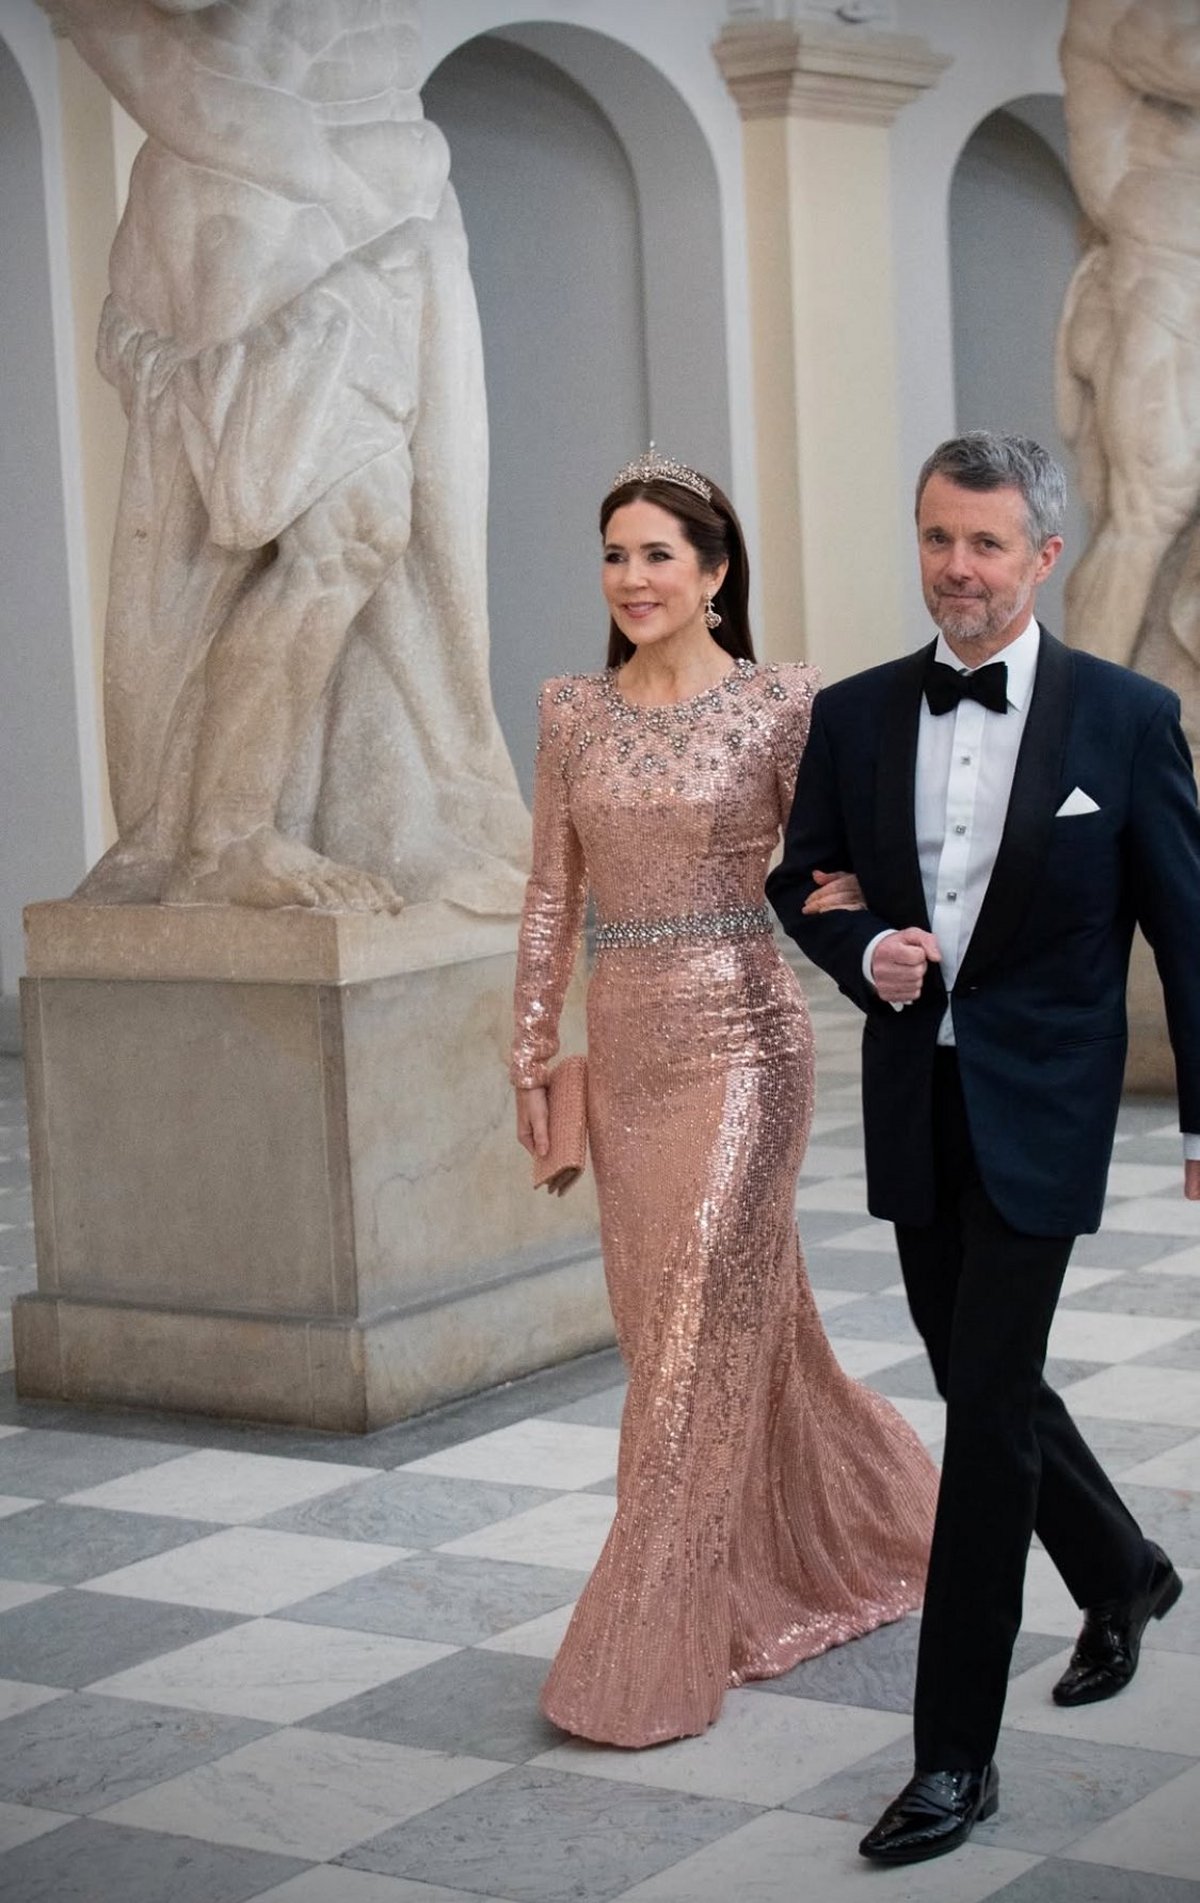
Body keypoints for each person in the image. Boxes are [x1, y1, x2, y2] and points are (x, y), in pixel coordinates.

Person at [769, 431, 1200, 1864]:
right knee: (981, 1380)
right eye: (939, 538)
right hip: (917, 1100)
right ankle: (1126, 1570)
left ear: (1045, 557)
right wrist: (857, 947)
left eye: (988, 544)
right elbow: (804, 870)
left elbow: (1188, 934)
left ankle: (953, 1757)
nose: (958, 567)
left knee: (982, 1430)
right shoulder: (856, 712)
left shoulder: (1127, 721)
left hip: (1047, 1108)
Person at [510, 448, 937, 1748]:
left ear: (715, 571)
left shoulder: (785, 705)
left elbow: (832, 867)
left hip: (748, 1046)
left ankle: (647, 1643)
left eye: (657, 554)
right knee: (685, 1336)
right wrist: (533, 1051)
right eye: (615, 554)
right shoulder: (571, 712)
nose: (632, 577)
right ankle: (863, 1531)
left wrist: (890, 949)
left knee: (696, 1334)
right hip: (625, 1052)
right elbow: (548, 897)